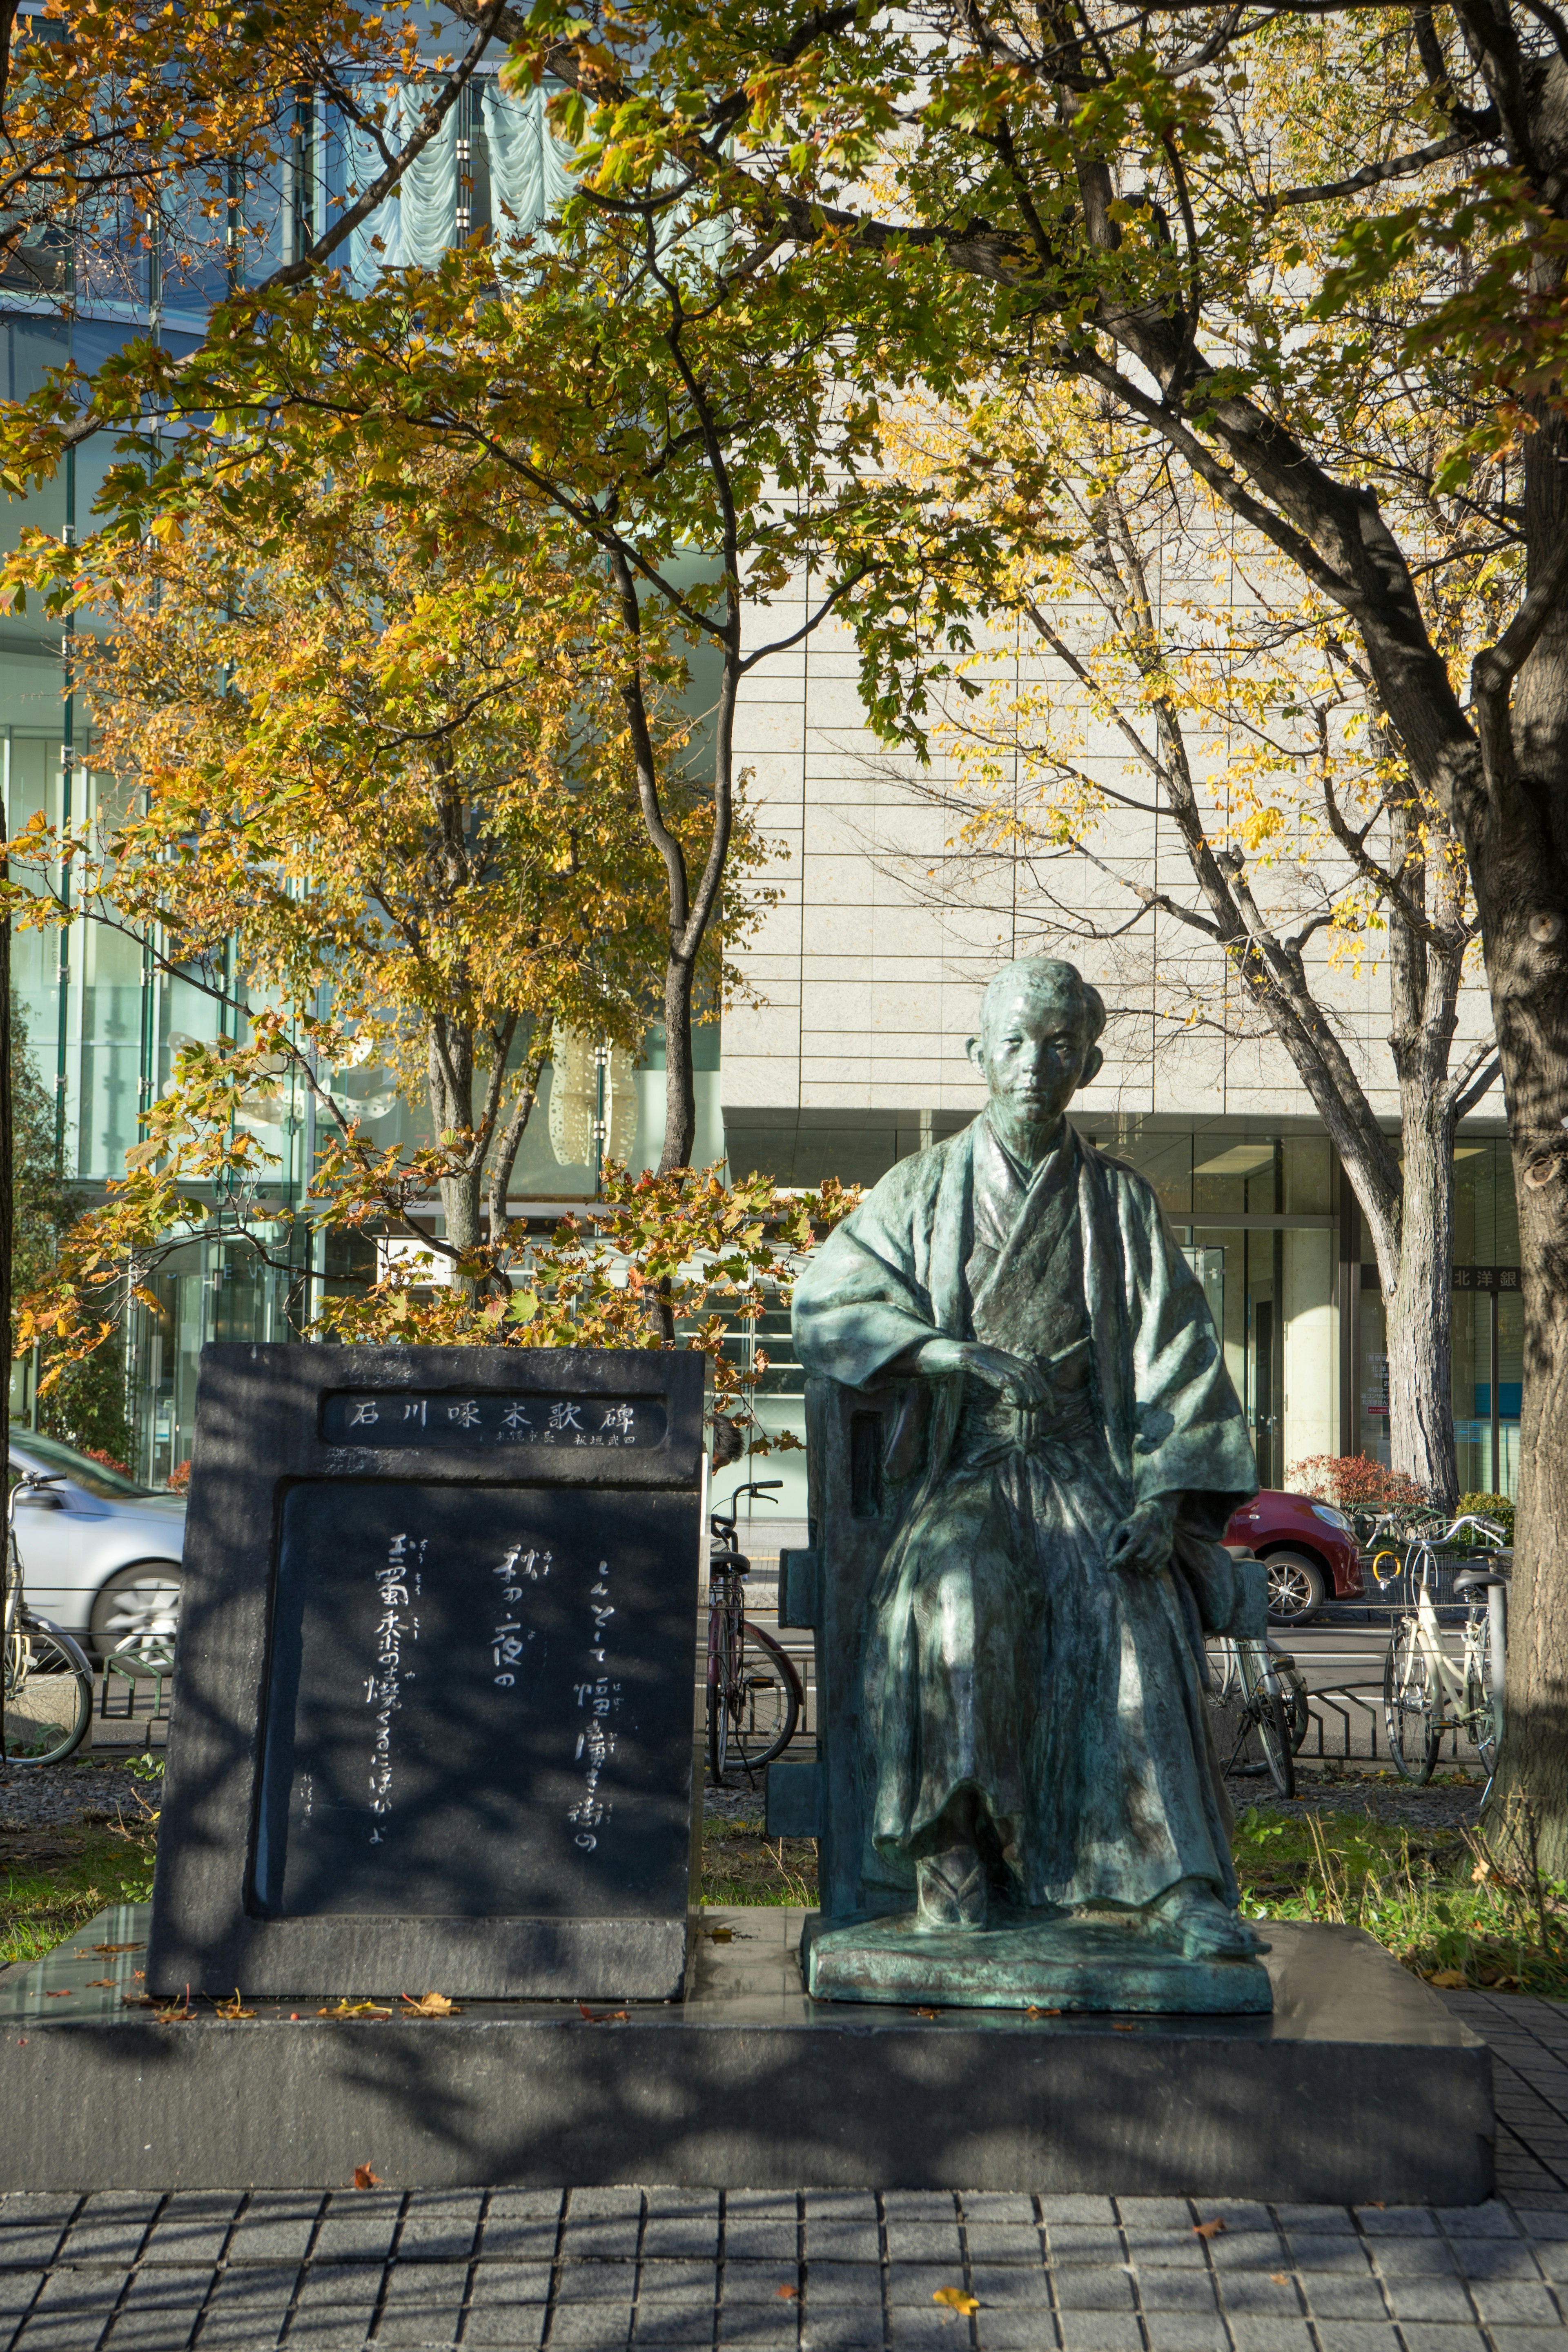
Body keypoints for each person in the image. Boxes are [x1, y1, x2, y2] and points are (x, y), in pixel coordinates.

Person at [791, 956, 1262, 1962]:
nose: (1033, 1064)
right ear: (977, 1056)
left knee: (1129, 1613)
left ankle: (1170, 1885)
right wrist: (938, 1348)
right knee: (955, 1593)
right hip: (964, 1472)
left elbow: (1178, 1351)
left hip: (1087, 1474)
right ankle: (956, 1866)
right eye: (1013, 1042)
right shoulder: (920, 1190)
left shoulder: (1119, 1204)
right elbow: (824, 1302)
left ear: (1087, 1064)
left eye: (1057, 1044)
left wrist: (1167, 1497)